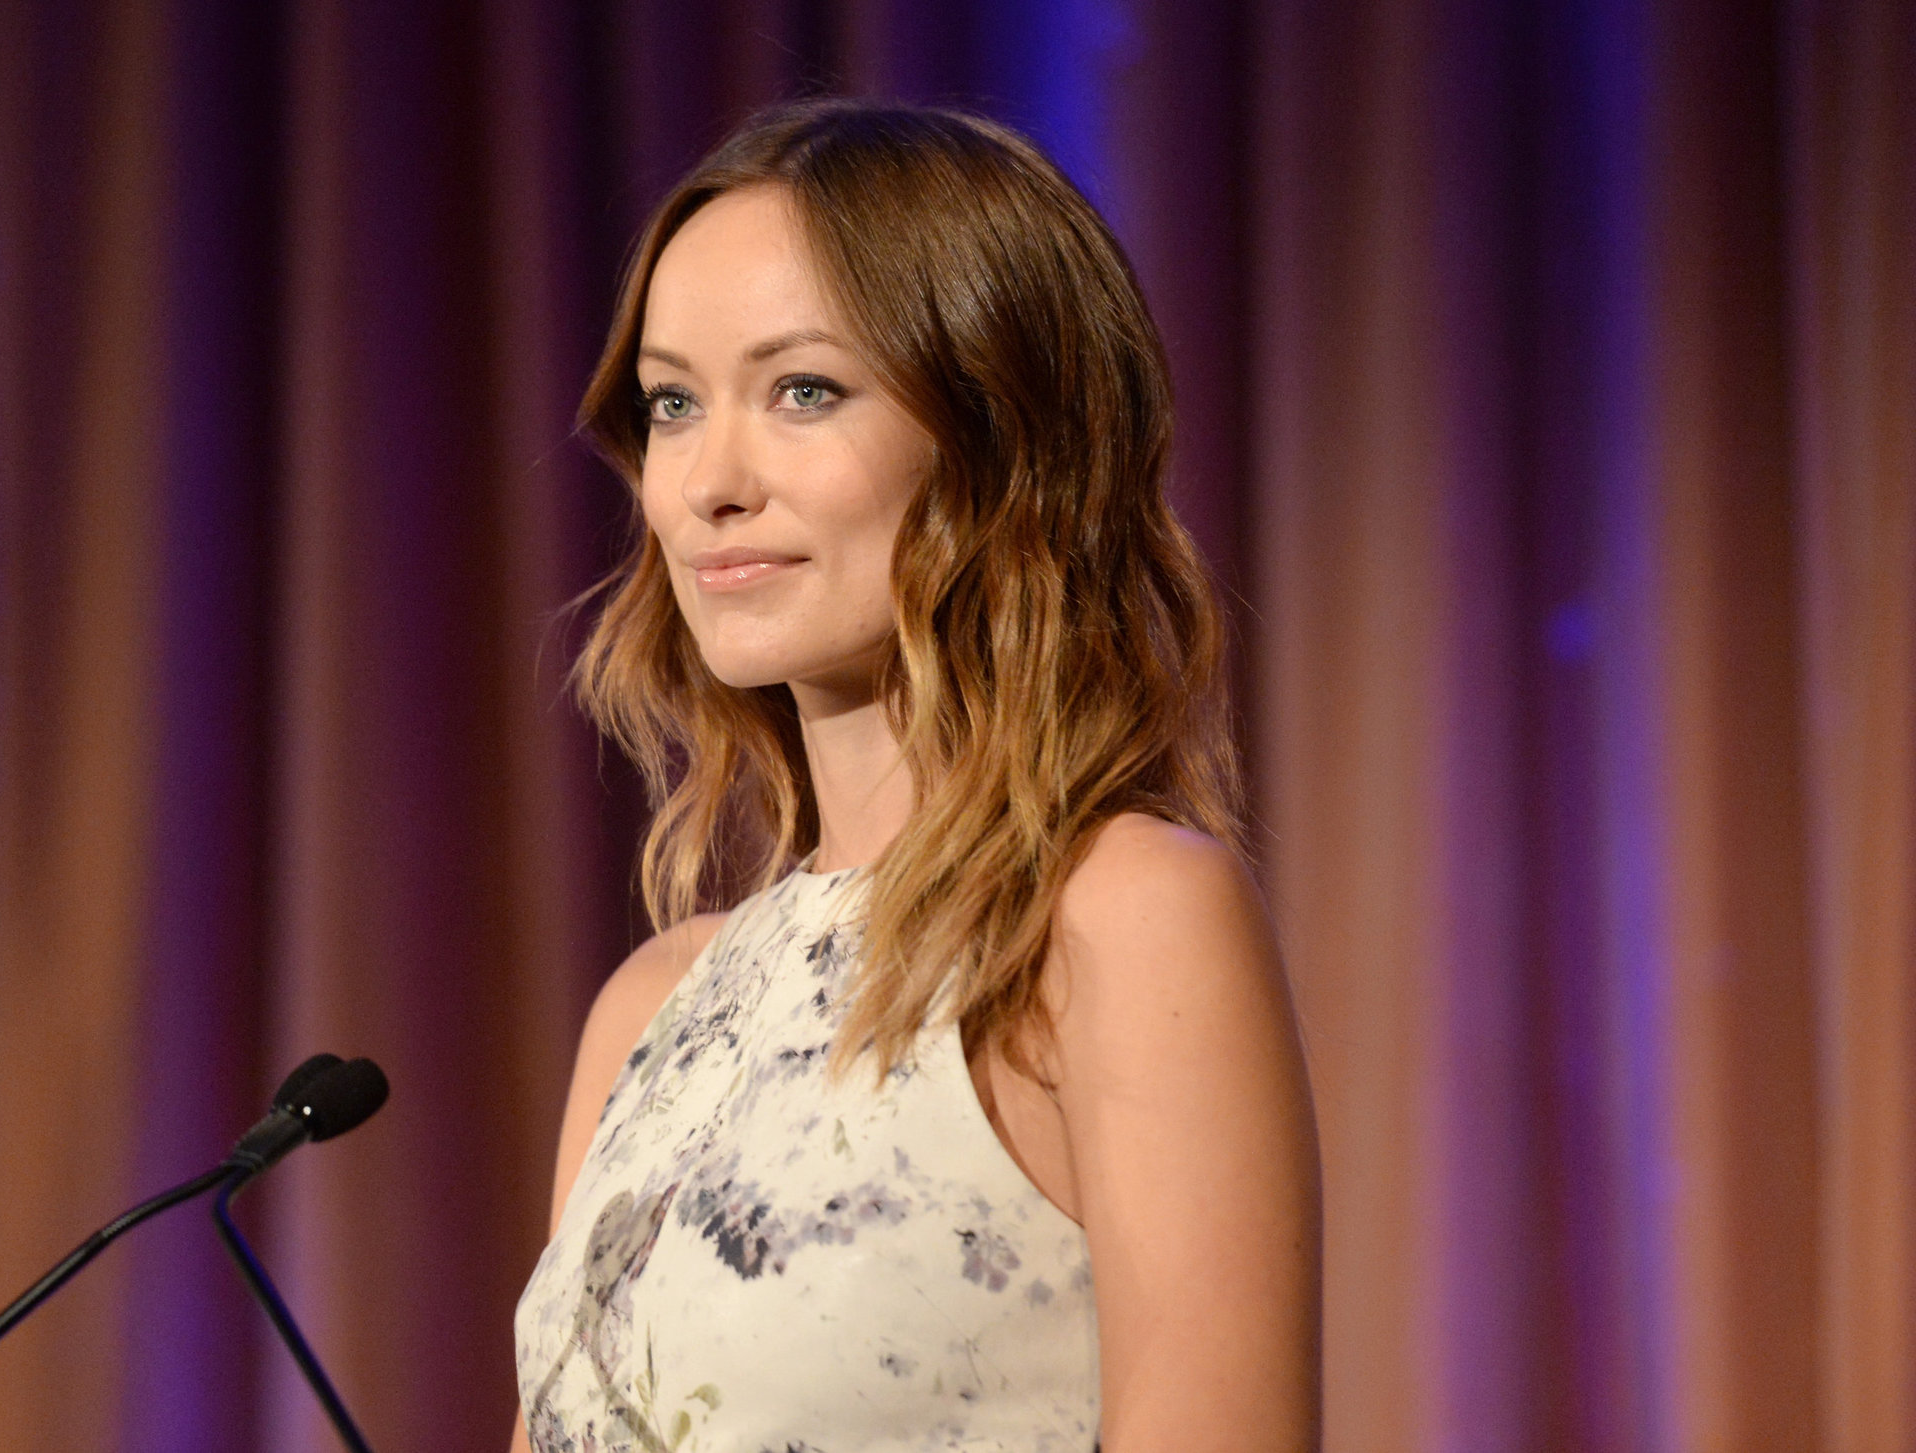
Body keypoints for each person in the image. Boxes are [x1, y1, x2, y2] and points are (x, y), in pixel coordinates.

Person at [511, 98, 1319, 1453]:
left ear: (999, 435)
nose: (709, 480)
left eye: (802, 390)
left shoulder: (1111, 916)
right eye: (670, 403)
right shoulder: (650, 1006)